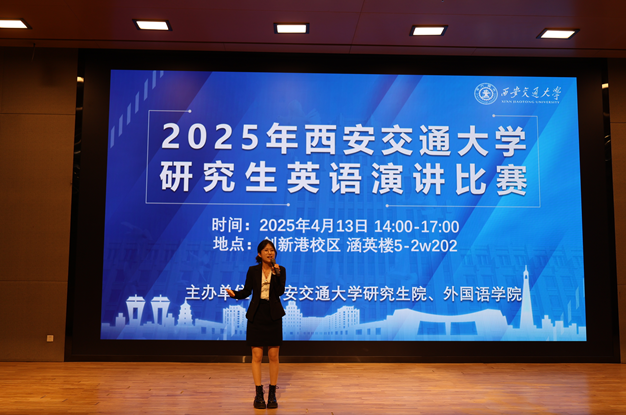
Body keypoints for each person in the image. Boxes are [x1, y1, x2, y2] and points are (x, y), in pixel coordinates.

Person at [226, 239, 286, 409]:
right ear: (259, 254)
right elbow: (247, 291)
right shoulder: (253, 270)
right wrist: (235, 294)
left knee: (273, 356)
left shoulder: (280, 270)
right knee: (257, 356)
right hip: (257, 315)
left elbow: (280, 292)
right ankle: (259, 394)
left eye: (272, 250)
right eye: (266, 250)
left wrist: (276, 274)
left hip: (273, 315)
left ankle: (272, 394)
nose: (270, 252)